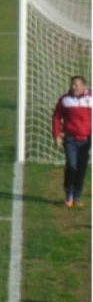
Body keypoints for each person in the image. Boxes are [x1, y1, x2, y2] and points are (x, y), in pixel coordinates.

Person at [52, 76, 92, 208]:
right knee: (71, 166)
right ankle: (69, 194)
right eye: (72, 85)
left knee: (82, 168)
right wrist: (57, 135)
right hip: (70, 139)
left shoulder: (90, 99)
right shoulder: (65, 100)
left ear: (83, 86)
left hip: (86, 140)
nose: (73, 87)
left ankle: (77, 196)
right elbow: (56, 117)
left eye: (76, 85)